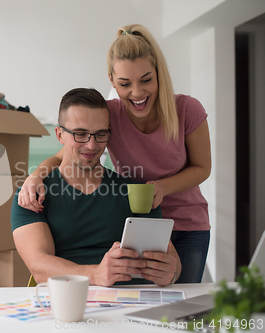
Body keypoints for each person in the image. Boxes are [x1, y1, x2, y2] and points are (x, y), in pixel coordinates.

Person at [17, 24, 211, 284]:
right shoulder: (108, 116)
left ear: (159, 74)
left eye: (146, 80)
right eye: (124, 83)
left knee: (181, 301)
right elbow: (67, 151)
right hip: (138, 213)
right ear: (112, 81)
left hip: (184, 221)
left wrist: (161, 188)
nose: (137, 92)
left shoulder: (187, 109)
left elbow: (202, 168)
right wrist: (34, 177)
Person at [11, 87, 181, 287]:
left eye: (100, 134)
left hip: (131, 305)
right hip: (65, 304)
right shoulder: (32, 195)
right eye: (80, 134)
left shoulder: (137, 192)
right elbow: (38, 265)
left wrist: (171, 273)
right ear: (59, 135)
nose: (92, 146)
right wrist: (95, 274)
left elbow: (171, 261)